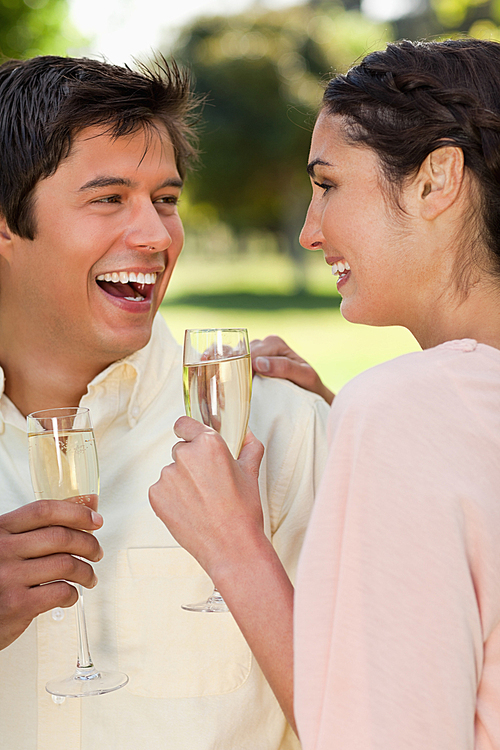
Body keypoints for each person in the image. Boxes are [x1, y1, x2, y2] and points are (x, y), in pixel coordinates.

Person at [149, 37, 500, 750]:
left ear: (436, 182)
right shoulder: (430, 416)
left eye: (329, 184)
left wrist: (232, 545)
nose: (311, 231)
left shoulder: (404, 411)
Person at [0, 55, 330, 749]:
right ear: (6, 223)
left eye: (166, 199)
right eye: (108, 198)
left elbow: (383, 719)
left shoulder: (285, 430)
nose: (156, 236)